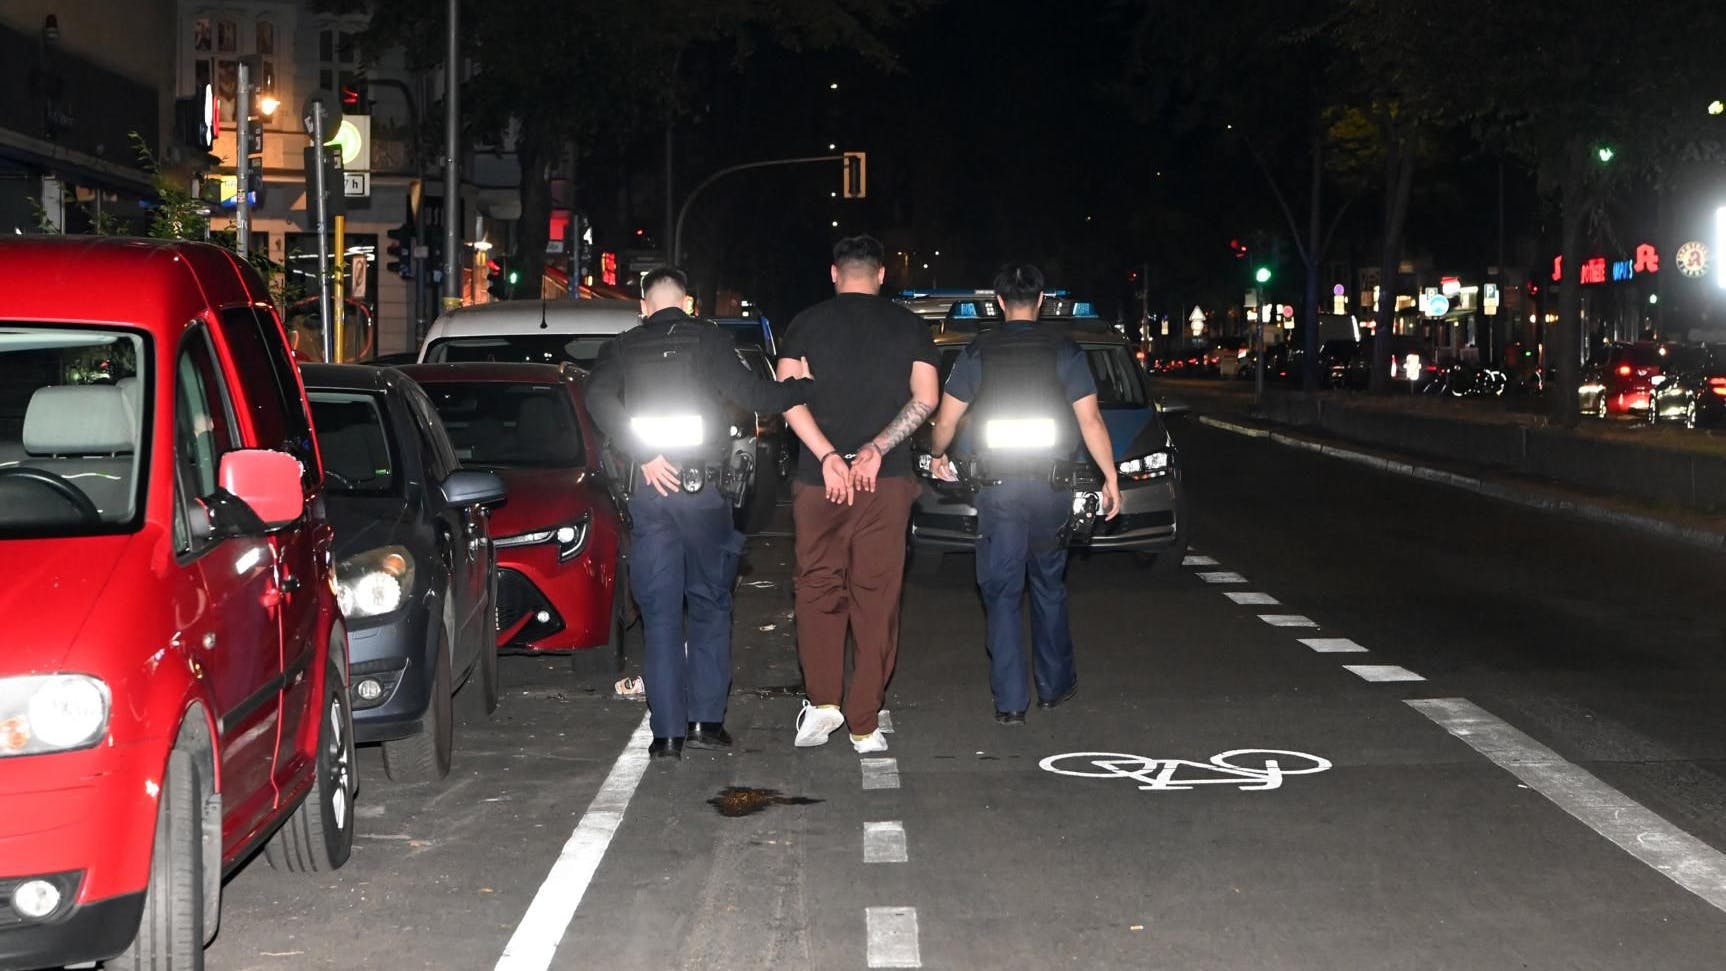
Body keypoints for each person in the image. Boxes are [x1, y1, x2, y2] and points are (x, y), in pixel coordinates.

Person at [586, 267, 813, 759]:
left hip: (651, 490)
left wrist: (644, 454)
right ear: (688, 304)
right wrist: (801, 386)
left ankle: (666, 736)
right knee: (710, 603)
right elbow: (758, 397)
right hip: (703, 492)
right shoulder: (709, 342)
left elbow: (596, 397)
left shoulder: (623, 346)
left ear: (642, 307)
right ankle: (706, 723)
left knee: (661, 614)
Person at [927, 262, 1120, 724]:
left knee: (1001, 590)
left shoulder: (979, 352)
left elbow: (947, 421)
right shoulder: (1065, 350)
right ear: (1040, 302)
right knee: (1049, 583)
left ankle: (1011, 702)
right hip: (1051, 488)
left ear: (998, 304)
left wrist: (937, 454)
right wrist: (1110, 478)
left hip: (1000, 490)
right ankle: (1054, 687)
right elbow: (1090, 421)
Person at [776, 235, 938, 754]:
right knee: (877, 595)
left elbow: (788, 399)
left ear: (834, 274)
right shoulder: (909, 326)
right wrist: (876, 447)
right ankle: (864, 720)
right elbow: (927, 398)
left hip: (819, 480)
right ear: (882, 275)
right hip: (884, 479)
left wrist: (829, 455)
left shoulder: (805, 323)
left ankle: (823, 702)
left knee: (819, 587)